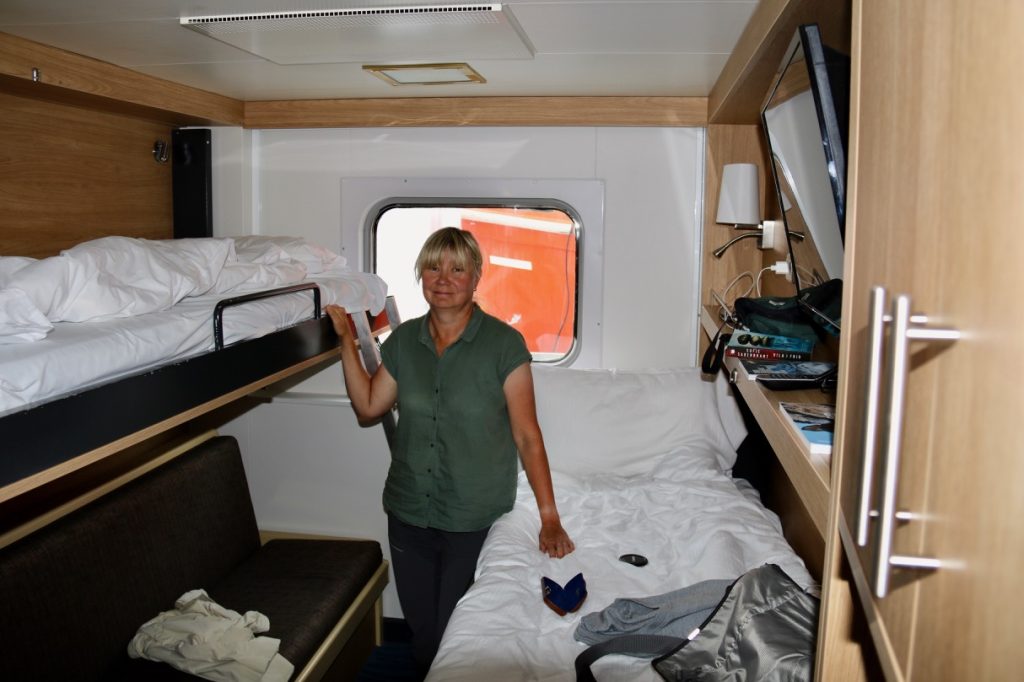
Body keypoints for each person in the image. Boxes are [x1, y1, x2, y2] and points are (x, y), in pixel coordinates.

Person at [324, 227, 574, 676]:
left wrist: (549, 518)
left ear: (476, 277)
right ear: (420, 274)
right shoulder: (403, 342)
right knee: (423, 635)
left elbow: (527, 437)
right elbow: (369, 407)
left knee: (452, 634)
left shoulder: (503, 345)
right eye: (433, 268)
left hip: (472, 517)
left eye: (457, 269)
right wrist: (346, 342)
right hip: (408, 512)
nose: (443, 279)